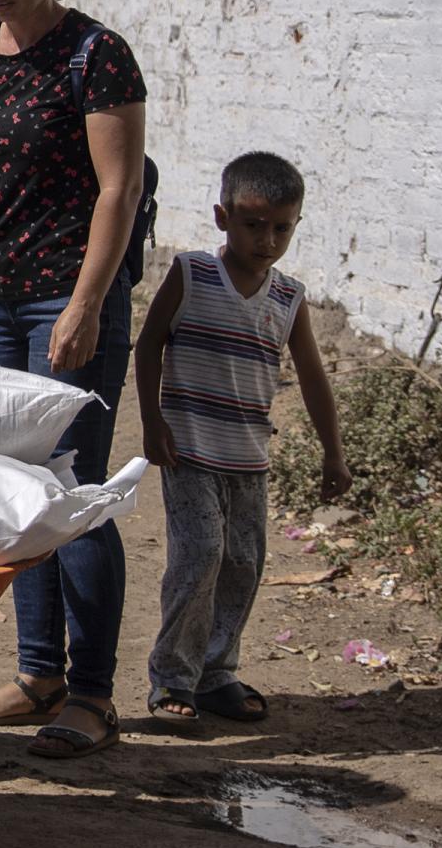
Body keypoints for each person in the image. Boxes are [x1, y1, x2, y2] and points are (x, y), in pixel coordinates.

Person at [0, 0, 152, 763]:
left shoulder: (98, 56)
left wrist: (87, 303)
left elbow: (118, 191)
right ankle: (38, 672)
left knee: (74, 492)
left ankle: (94, 691)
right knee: (16, 492)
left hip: (68, 299)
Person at [136, 152, 351, 727]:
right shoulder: (192, 274)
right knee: (199, 554)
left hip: (248, 458)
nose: (268, 239)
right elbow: (149, 343)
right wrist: (151, 421)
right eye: (253, 224)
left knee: (242, 561)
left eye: (282, 227)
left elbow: (311, 377)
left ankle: (216, 672)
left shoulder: (288, 298)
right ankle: (172, 677)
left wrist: (334, 452)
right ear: (222, 217)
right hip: (189, 450)